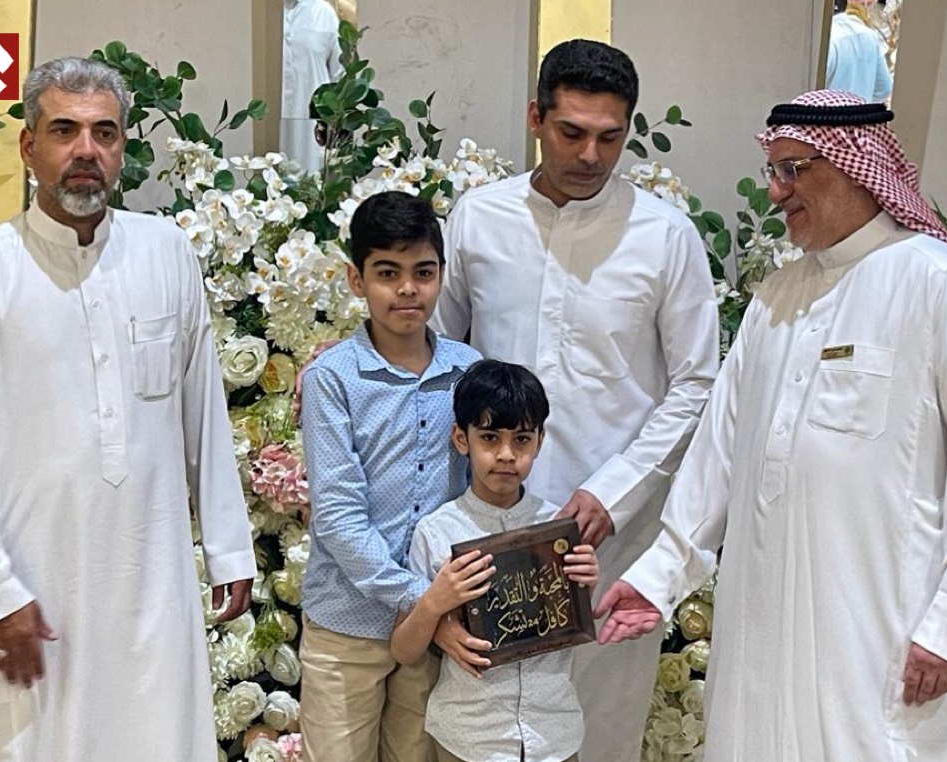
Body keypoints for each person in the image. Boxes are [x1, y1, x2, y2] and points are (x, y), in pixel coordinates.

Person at [596, 90, 947, 761]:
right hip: (763, 628)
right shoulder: (777, 297)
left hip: (885, 629)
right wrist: (660, 574)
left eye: (794, 170)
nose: (776, 191)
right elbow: (719, 453)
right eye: (773, 170)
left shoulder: (940, 285)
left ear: (856, 166)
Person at [0, 57, 255, 761]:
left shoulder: (166, 254)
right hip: (29, 587)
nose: (85, 150)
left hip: (151, 579)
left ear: (122, 148)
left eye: (104, 133)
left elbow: (201, 410)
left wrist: (228, 545)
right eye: (64, 130)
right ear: (28, 145)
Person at [431, 38, 719, 762]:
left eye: (609, 137)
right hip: (487, 524)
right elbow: (435, 352)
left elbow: (697, 383)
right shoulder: (478, 217)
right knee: (487, 722)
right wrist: (348, 361)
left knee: (602, 725)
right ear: (535, 117)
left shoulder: (666, 237)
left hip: (611, 531)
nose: (591, 155)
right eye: (572, 132)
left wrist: (614, 492)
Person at [298, 190, 484, 762]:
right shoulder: (334, 378)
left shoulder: (468, 372)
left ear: (441, 276)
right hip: (347, 625)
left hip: (435, 630)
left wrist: (437, 609)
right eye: (387, 273)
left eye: (423, 272)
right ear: (357, 280)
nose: (407, 289)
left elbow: (481, 490)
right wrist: (421, 602)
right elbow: (338, 515)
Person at [391, 359, 599, 762]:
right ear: (461, 438)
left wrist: (587, 583)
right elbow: (404, 649)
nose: (506, 455)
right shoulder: (436, 532)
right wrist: (434, 603)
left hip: (554, 735)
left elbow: (572, 624)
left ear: (539, 441)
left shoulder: (557, 529)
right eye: (489, 438)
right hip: (470, 737)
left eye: (521, 439)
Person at [281, 0, 344, 171]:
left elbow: (339, 75)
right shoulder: (260, 15)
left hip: (313, 126)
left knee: (311, 177)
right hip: (270, 123)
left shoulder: (323, 13)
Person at [826, 0, 893, 102]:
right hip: (861, 109)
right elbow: (884, 89)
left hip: (827, 109)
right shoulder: (871, 38)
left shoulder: (830, 35)